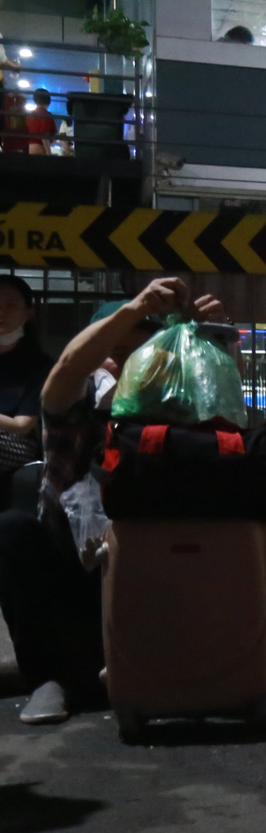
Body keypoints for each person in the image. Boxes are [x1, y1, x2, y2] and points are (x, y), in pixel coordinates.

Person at [0, 280, 224, 725]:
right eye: (111, 349)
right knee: (11, 529)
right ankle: (51, 677)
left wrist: (204, 339)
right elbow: (68, 368)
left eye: (135, 350)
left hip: (153, 567)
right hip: (74, 568)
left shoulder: (176, 406)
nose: (121, 362)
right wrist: (136, 307)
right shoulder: (74, 401)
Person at [0, 276, 52, 490]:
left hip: (16, 443)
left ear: (29, 313)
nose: (1, 312)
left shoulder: (41, 366)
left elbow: (21, 426)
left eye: (10, 305)